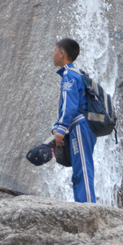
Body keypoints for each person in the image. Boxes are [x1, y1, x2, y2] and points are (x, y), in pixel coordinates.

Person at [52, 37, 96, 203]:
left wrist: (62, 128)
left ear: (62, 54)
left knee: (83, 169)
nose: (53, 55)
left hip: (79, 126)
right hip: (84, 126)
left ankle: (88, 209)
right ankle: (83, 204)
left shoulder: (69, 76)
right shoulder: (78, 73)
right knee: (80, 169)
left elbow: (69, 105)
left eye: (55, 51)